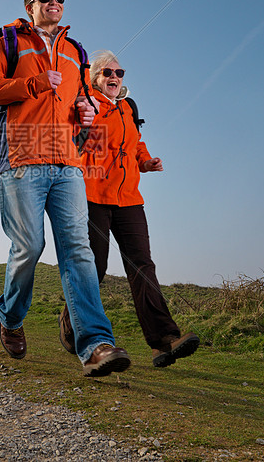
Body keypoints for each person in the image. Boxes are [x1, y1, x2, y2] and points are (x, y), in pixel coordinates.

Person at [0, 0, 131, 377]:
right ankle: (10, 318)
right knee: (28, 247)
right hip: (22, 160)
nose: (54, 2)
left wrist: (86, 110)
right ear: (31, 4)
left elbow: (82, 98)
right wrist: (32, 84)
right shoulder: (9, 42)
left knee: (78, 250)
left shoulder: (74, 51)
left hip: (68, 164)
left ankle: (96, 345)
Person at [59, 50, 199, 368]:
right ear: (95, 77)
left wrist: (145, 161)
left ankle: (163, 342)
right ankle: (71, 324)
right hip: (92, 195)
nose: (114, 77)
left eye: (119, 73)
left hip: (129, 199)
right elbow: (69, 140)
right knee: (93, 269)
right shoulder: (84, 105)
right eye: (107, 72)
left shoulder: (128, 107)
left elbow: (135, 143)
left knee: (142, 267)